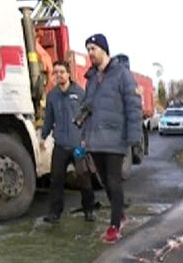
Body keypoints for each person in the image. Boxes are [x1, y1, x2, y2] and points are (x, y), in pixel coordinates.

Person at [80, 33, 142, 243]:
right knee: (104, 180)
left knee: (114, 181)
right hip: (95, 138)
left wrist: (134, 137)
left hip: (116, 137)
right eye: (88, 49)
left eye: (93, 49)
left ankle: (115, 225)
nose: (90, 54)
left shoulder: (121, 74)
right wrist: (83, 136)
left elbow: (133, 105)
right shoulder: (90, 79)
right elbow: (87, 109)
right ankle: (120, 213)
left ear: (103, 50)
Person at [40, 61, 90, 223]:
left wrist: (86, 140)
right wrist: (43, 136)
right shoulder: (52, 96)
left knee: (83, 177)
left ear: (69, 74)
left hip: (77, 146)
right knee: (56, 180)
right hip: (60, 146)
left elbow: (88, 117)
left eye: (62, 72)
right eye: (56, 72)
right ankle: (55, 213)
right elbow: (49, 119)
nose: (59, 75)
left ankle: (88, 210)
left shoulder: (80, 93)